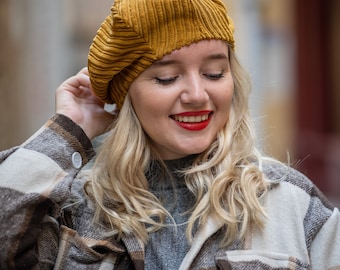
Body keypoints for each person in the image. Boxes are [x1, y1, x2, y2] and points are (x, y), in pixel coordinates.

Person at [1, 0, 339, 269]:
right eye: (166, 78)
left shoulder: (293, 207)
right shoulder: (73, 212)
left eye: (214, 72)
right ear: (128, 96)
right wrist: (69, 130)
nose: (196, 93)